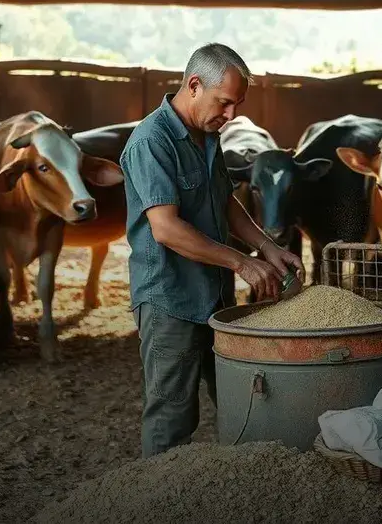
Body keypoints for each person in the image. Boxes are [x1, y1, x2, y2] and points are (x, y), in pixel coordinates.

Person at [120, 43, 305, 457]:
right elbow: (166, 229)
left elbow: (224, 201)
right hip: (171, 298)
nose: (231, 116)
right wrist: (242, 262)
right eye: (224, 103)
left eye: (236, 104)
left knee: (238, 399)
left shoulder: (206, 135)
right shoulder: (152, 141)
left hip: (214, 296)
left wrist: (266, 247)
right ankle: (160, 499)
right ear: (194, 85)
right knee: (172, 417)